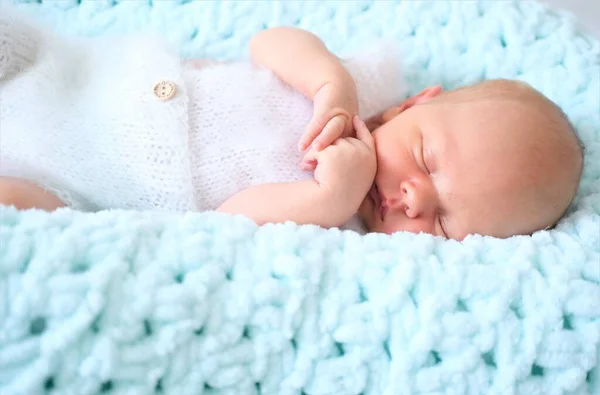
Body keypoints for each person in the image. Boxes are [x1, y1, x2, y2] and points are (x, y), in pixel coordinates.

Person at [0, 7, 584, 240]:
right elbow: (268, 42)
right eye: (428, 159)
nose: (415, 198)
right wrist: (328, 81)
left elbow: (226, 224)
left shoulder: (337, 236)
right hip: (77, 77)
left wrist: (329, 200)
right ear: (414, 106)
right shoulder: (360, 91)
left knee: (28, 214)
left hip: (83, 187)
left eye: (446, 224)